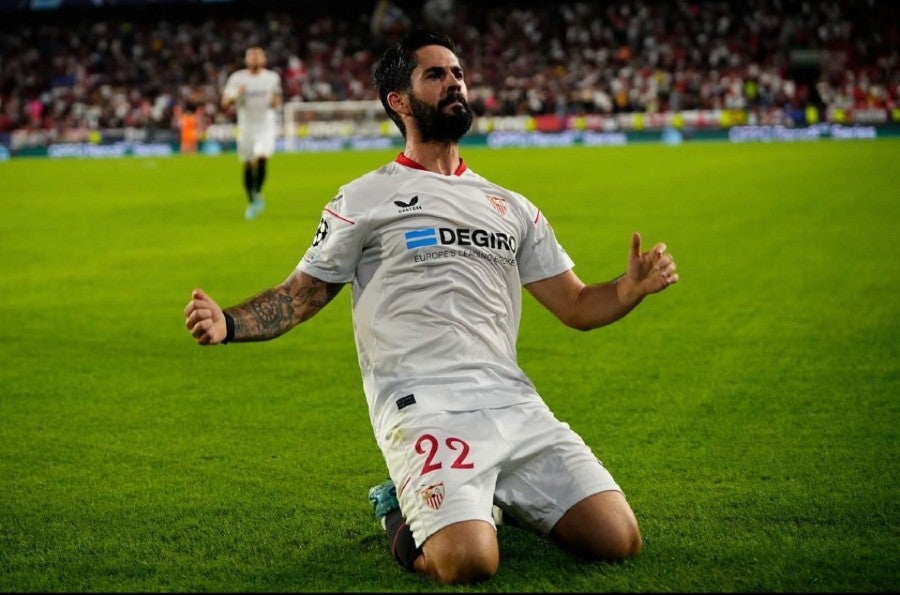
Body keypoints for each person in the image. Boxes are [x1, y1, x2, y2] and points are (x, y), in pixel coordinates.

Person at [185, 29, 679, 586]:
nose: (455, 83)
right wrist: (228, 322)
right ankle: (399, 506)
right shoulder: (364, 198)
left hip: (512, 400)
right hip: (424, 407)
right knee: (468, 564)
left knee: (618, 540)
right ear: (399, 101)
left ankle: (491, 497)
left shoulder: (510, 205)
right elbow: (299, 297)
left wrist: (629, 289)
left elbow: (577, 304)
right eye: (436, 75)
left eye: (459, 73)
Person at [221, 46, 283, 220]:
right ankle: (251, 199)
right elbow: (225, 103)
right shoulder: (237, 78)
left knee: (262, 157)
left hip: (265, 126)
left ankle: (258, 192)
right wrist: (235, 94)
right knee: (248, 164)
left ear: (264, 59)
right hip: (246, 126)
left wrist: (274, 102)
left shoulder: (272, 78)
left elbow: (277, 100)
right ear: (247, 59)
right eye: (252, 55)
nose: (255, 58)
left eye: (258, 55)